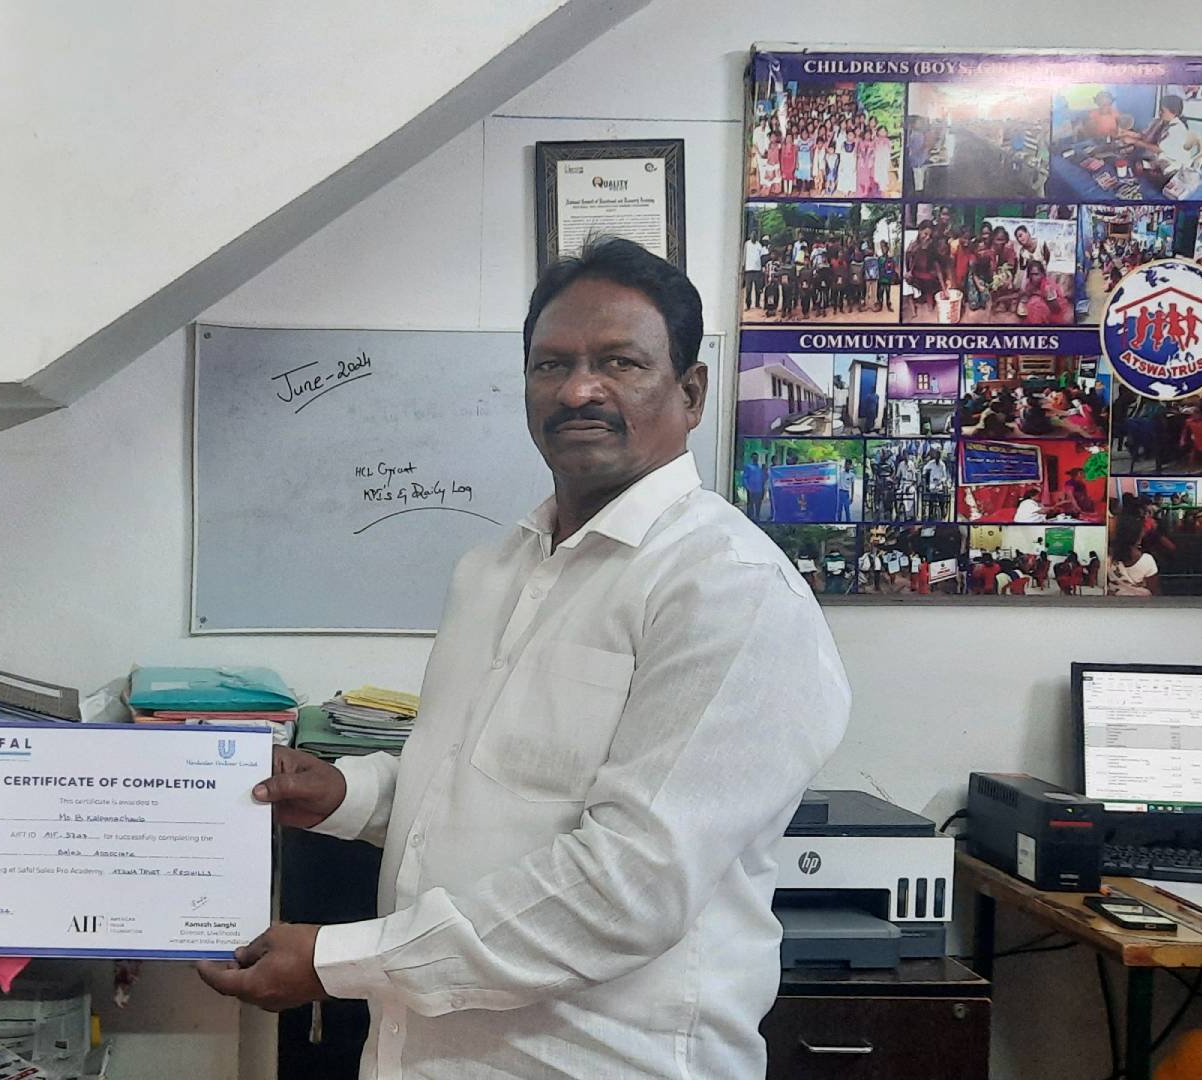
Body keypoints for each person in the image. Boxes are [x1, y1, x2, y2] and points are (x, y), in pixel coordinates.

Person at [198, 238, 849, 1077]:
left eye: (619, 362)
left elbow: (626, 889)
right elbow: (476, 782)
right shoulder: (497, 567)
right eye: (551, 365)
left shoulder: (728, 590)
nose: (580, 389)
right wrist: (345, 795)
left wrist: (337, 963)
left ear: (690, 392)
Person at [1109, 517, 1161, 595]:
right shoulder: (1147, 561)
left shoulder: (1109, 558)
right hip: (1141, 605)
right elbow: (1154, 590)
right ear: (1138, 537)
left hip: (1114, 604)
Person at [742, 451, 769, 521]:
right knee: (750, 504)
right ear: (751, 458)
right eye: (754, 457)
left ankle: (757, 516)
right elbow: (745, 477)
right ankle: (749, 518)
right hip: (751, 489)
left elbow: (765, 478)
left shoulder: (760, 468)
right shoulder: (748, 467)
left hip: (759, 489)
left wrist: (765, 471)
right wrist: (747, 487)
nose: (755, 459)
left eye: (756, 457)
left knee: (758, 504)